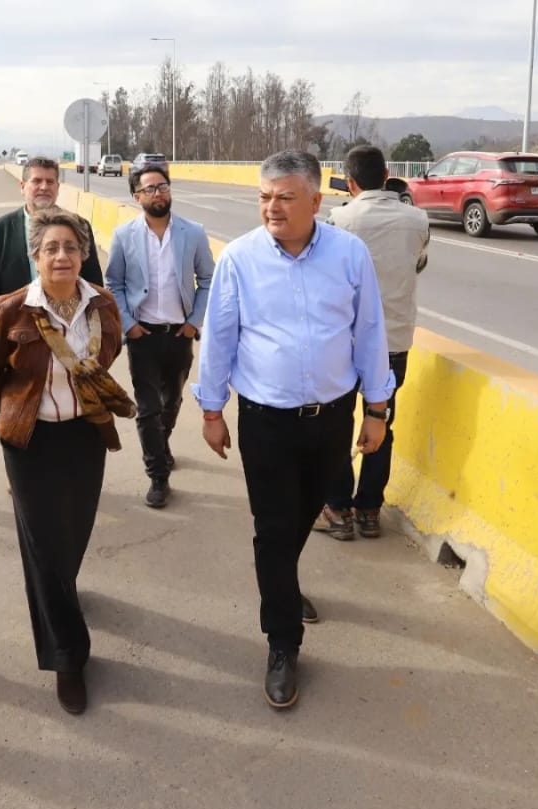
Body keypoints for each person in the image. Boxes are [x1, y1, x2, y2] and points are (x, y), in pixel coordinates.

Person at [193, 150, 393, 711]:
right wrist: (212, 411)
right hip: (265, 421)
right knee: (273, 528)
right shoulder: (239, 259)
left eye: (284, 197)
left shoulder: (350, 254)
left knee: (306, 513)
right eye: (263, 197)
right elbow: (220, 337)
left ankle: (283, 579)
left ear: (315, 200)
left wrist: (376, 410)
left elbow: (369, 331)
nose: (271, 208)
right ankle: (282, 641)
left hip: (332, 418)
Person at [0, 207, 135, 715]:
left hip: (85, 436)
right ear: (35, 257)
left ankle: (61, 593)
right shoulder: (10, 309)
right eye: (51, 248)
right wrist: (17, 410)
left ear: (84, 256)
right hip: (31, 441)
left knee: (74, 533)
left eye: (71, 247)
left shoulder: (103, 305)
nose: (62, 256)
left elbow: (107, 354)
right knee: (43, 546)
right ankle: (68, 657)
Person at [314, 146, 429, 542]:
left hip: (345, 343)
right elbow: (419, 264)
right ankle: (369, 511)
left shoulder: (338, 218)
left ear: (351, 181)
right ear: (386, 176)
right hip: (394, 342)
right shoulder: (418, 219)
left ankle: (338, 510)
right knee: (382, 424)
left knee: (336, 425)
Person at [105, 163, 214, 508]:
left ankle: (161, 445)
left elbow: (208, 280)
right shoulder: (124, 236)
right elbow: (115, 284)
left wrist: (194, 322)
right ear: (137, 197)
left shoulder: (193, 232)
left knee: (172, 403)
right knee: (148, 409)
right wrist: (128, 325)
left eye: (162, 186)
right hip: (143, 336)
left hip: (179, 334)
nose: (158, 193)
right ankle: (157, 475)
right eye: (150, 188)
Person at [0, 157, 104, 337]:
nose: (44, 187)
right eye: (36, 181)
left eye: (50, 182)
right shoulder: (0, 229)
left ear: (57, 188)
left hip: (71, 330)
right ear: (22, 186)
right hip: (18, 332)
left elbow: (93, 281)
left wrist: (99, 330)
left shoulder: (79, 226)